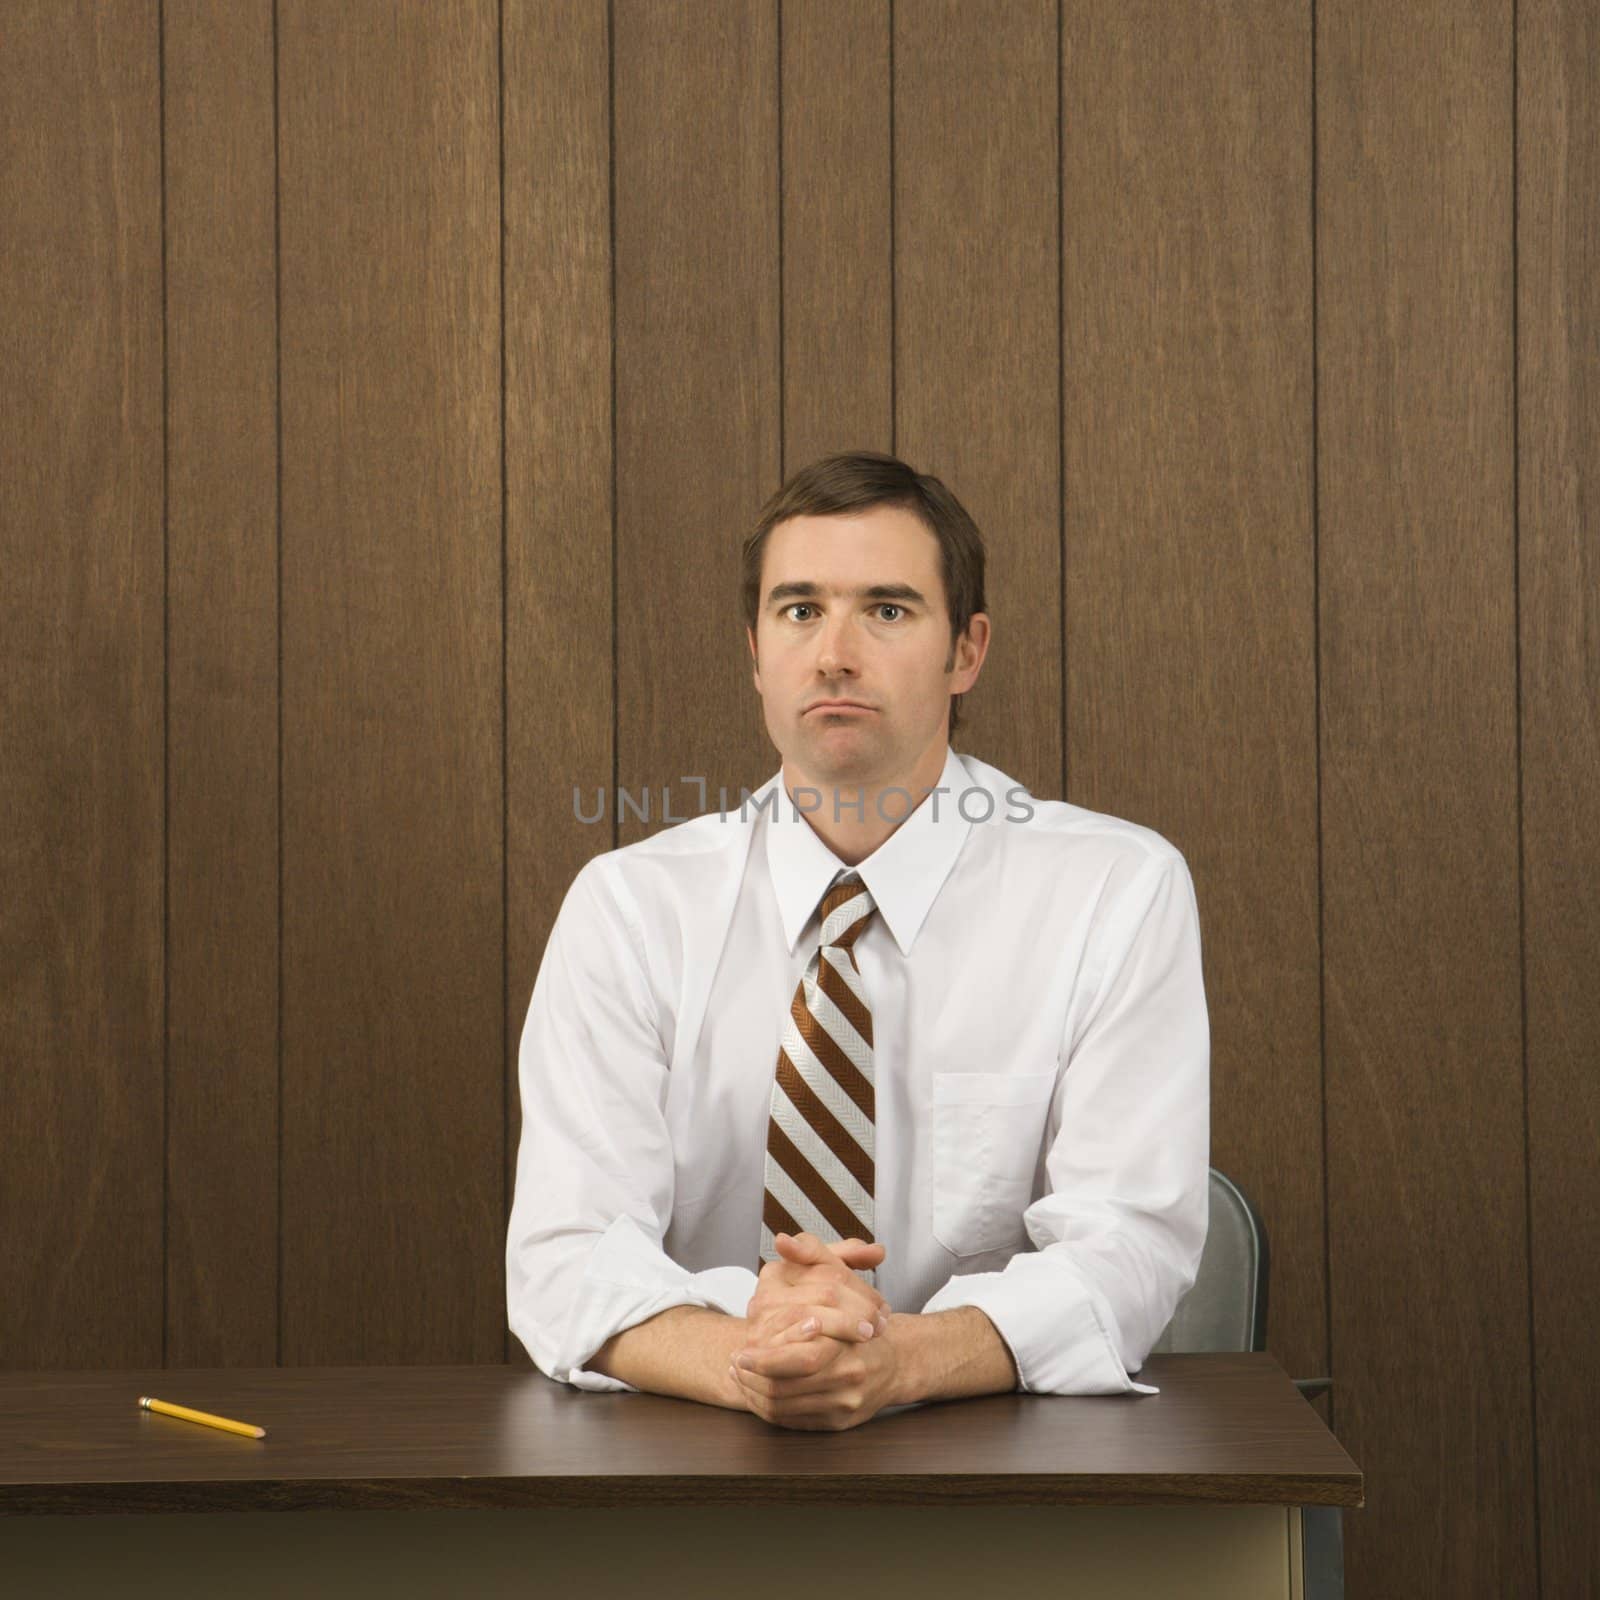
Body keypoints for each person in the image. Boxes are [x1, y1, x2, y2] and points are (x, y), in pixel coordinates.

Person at [506, 450, 1209, 1432]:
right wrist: (757, 1362)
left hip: (1002, 1477)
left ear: (966, 651)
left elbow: (1128, 1244)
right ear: (754, 650)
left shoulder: (1112, 890)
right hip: (689, 1462)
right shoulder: (630, 908)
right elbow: (565, 1254)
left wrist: (895, 1362)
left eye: (885, 609)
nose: (833, 652)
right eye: (798, 610)